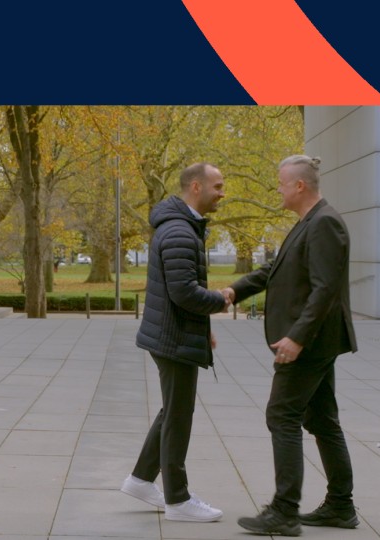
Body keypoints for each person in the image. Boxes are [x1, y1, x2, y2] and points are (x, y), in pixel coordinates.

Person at [221, 155, 359, 536]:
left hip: (311, 343)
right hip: (316, 341)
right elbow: (276, 269)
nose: (278, 189)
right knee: (322, 420)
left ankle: (284, 510)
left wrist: (297, 337)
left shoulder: (324, 223)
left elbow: (325, 289)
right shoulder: (308, 223)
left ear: (299, 185)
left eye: (281, 183)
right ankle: (340, 506)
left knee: (281, 416)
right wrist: (235, 290)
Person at [120, 162, 230, 523]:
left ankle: (139, 480)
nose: (222, 193)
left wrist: (203, 326)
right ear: (195, 187)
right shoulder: (181, 232)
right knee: (179, 415)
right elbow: (183, 292)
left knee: (172, 409)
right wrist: (222, 298)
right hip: (172, 336)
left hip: (173, 332)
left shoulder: (180, 227)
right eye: (217, 186)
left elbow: (176, 291)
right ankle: (178, 501)